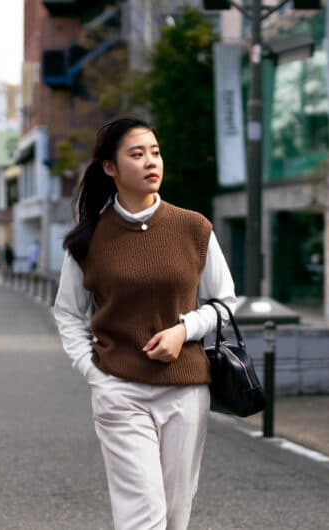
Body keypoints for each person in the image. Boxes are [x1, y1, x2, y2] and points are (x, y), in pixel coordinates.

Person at [53, 115, 236, 530]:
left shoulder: (194, 228)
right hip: (119, 390)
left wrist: (184, 330)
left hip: (186, 391)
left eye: (155, 152)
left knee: (174, 515)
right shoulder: (88, 239)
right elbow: (68, 312)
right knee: (143, 515)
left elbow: (224, 302)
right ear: (111, 168)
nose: (152, 161)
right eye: (137, 154)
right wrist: (93, 371)